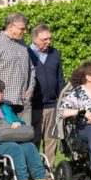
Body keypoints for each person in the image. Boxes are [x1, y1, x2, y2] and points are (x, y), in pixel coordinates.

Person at [0, 11, 35, 127]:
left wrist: (30, 90)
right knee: (9, 138)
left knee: (26, 136)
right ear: (10, 27)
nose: (25, 31)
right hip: (3, 104)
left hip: (23, 102)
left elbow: (31, 69)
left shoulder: (23, 44)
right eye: (22, 29)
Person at [28, 23, 65, 162]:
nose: (48, 42)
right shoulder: (26, 53)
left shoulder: (55, 53)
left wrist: (62, 101)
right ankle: (34, 174)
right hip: (34, 107)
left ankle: (49, 174)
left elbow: (60, 79)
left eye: (50, 39)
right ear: (35, 39)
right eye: (45, 39)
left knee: (51, 143)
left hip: (52, 106)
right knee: (34, 141)